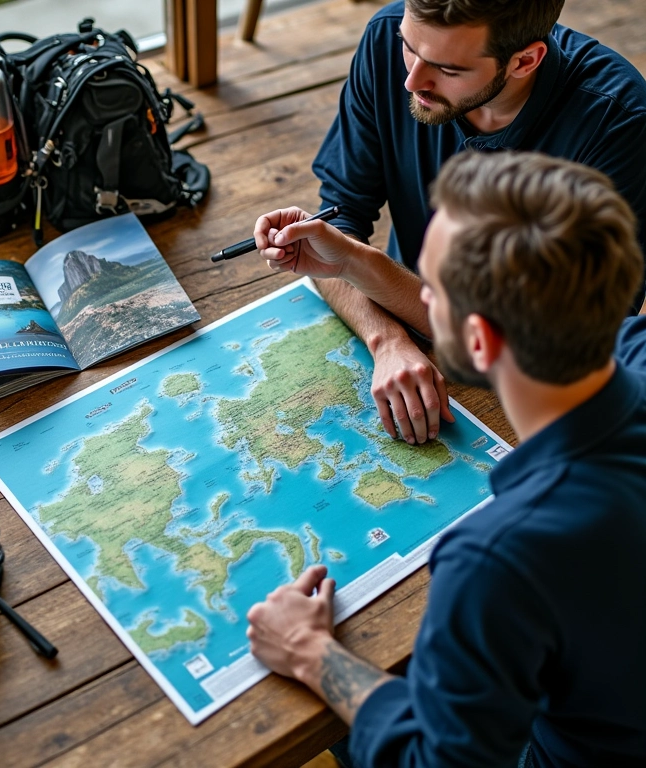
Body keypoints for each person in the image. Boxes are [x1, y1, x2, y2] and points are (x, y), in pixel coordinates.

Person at [247, 151, 646, 768]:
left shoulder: (496, 559)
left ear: (480, 340)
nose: (421, 297)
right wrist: (352, 261)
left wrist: (306, 649)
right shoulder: (634, 346)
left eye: (430, 288)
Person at [310, 0, 646, 446]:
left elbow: (562, 347)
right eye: (409, 47)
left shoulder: (618, 121)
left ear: (524, 61)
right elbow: (338, 221)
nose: (412, 80)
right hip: (395, 325)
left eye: (448, 69)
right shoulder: (387, 36)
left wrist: (358, 264)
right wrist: (386, 338)